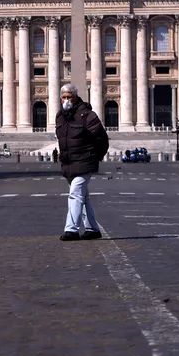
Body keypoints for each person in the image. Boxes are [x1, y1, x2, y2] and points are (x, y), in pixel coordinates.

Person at [56, 84, 109, 241]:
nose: (66, 100)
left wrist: (94, 157)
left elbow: (102, 138)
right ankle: (93, 229)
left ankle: (71, 229)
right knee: (82, 196)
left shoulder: (87, 115)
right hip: (69, 162)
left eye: (69, 97)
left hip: (85, 161)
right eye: (64, 97)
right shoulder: (60, 116)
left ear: (75, 97)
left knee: (75, 194)